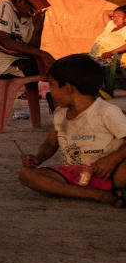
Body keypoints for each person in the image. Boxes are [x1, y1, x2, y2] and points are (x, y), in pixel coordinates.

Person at [18, 54, 126, 207]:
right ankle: (96, 195)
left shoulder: (107, 111)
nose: (50, 91)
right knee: (27, 175)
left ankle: (101, 191)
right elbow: (50, 144)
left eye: (53, 86)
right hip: (72, 174)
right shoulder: (60, 114)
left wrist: (112, 160)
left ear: (69, 88)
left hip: (110, 173)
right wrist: (38, 158)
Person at [89, 5, 126, 99]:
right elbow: (106, 12)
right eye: (114, 15)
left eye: (119, 16)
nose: (115, 18)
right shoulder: (111, 25)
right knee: (78, 61)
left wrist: (111, 52)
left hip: (113, 58)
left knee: (90, 66)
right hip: (97, 55)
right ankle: (94, 89)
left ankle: (104, 91)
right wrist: (118, 11)